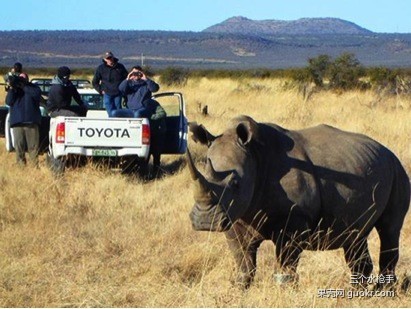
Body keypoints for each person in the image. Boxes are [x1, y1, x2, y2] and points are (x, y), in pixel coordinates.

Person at [118, 66, 166, 174]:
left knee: (155, 154)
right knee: (114, 113)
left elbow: (155, 89)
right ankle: (144, 172)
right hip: (144, 132)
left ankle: (155, 172)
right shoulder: (129, 85)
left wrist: (146, 78)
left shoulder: (152, 103)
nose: (136, 75)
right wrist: (128, 78)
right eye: (134, 73)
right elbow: (120, 89)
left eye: (138, 73)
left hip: (155, 132)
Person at [6, 73, 42, 166]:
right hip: (17, 122)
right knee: (19, 147)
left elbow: (37, 95)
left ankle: (34, 167)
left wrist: (24, 86)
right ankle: (21, 168)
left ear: (27, 79)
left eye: (23, 78)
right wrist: (12, 88)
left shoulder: (34, 88)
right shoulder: (14, 89)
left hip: (31, 122)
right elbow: (9, 101)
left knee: (33, 147)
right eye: (20, 78)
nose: (21, 80)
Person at [92, 51, 128, 117]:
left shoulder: (120, 67)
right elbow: (95, 82)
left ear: (113, 57)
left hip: (118, 93)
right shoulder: (101, 68)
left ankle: (118, 123)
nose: (109, 60)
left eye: (110, 57)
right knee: (110, 110)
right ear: (105, 59)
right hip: (107, 93)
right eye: (107, 58)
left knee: (118, 110)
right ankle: (112, 121)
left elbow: (126, 79)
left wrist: (123, 89)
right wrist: (100, 90)